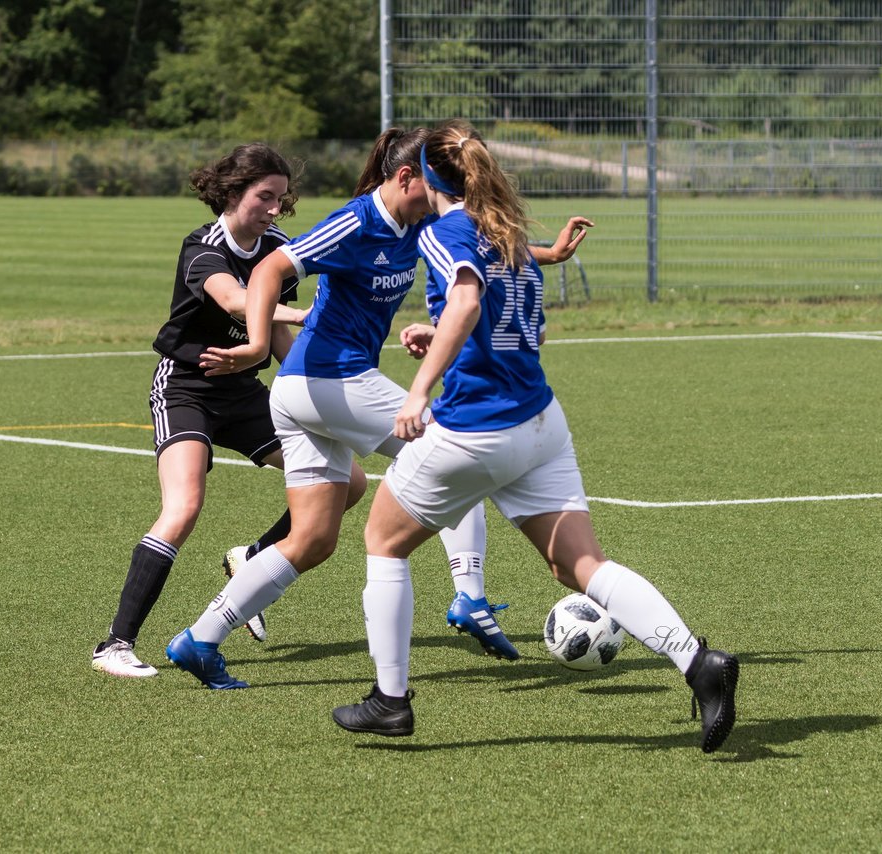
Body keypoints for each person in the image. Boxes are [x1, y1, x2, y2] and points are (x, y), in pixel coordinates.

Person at [329, 121, 739, 754]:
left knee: (382, 541)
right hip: (541, 424)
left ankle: (390, 702)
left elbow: (466, 305)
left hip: (479, 430)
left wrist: (418, 391)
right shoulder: (508, 234)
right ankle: (697, 661)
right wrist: (435, 338)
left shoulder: (446, 230)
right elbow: (524, 332)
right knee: (580, 565)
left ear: (428, 177)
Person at [164, 128, 591, 690]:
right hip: (323, 378)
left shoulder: (416, 225)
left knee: (311, 541)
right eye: (432, 186)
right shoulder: (356, 220)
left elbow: (479, 251)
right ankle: (470, 596)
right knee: (452, 447)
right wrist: (256, 343)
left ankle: (199, 639)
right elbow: (270, 271)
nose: (439, 199)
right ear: (404, 177)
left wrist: (549, 255)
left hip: (317, 393)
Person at [91, 143, 367, 678]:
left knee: (349, 483)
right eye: (265, 197)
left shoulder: (280, 250)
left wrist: (311, 380)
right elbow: (239, 301)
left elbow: (274, 334)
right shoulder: (203, 247)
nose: (274, 208)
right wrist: (312, 313)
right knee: (184, 507)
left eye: (281, 199)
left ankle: (254, 557)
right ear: (234, 192)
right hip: (187, 388)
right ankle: (115, 645)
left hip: (243, 392)